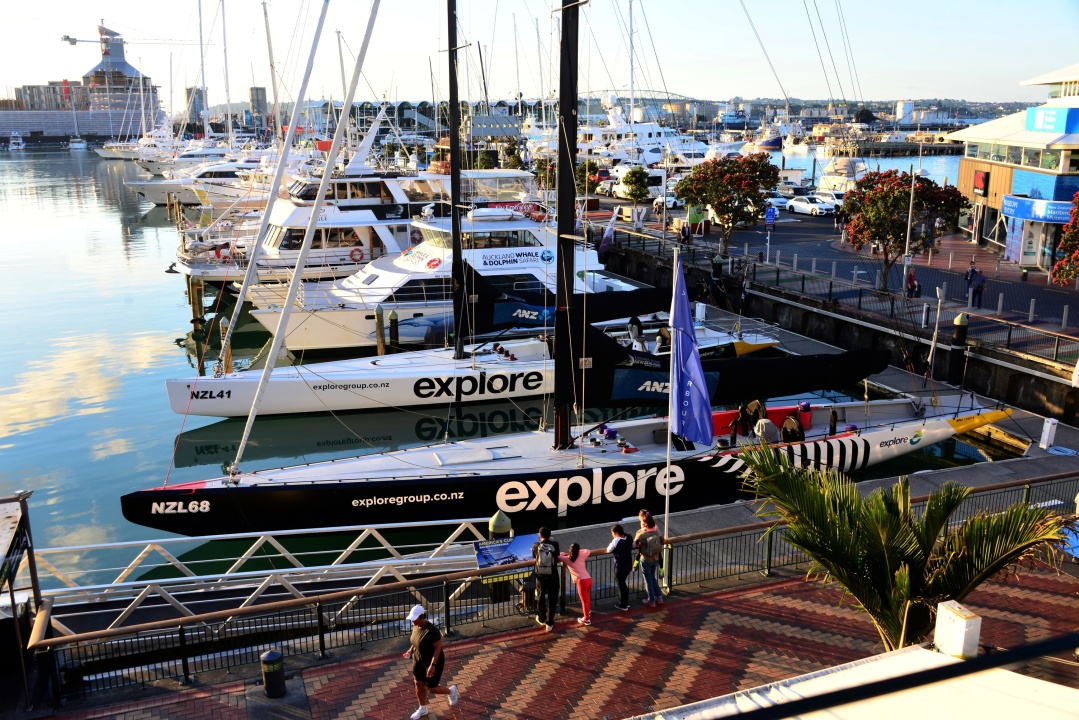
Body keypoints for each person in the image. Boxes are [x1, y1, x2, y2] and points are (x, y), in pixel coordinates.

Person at [404, 604, 458, 719]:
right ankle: (422, 709)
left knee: (432, 689)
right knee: (418, 684)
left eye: (414, 619)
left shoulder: (432, 631)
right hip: (418, 660)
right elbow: (415, 642)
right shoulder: (415, 626)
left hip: (433, 662)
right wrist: (410, 651)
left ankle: (451, 692)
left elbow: (438, 648)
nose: (412, 621)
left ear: (422, 617)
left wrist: (432, 665)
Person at [532, 527, 561, 632]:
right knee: (552, 599)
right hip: (553, 576)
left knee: (540, 597)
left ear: (540, 535)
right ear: (550, 535)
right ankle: (550, 623)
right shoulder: (555, 545)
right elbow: (557, 557)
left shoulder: (536, 545)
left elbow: (534, 557)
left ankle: (542, 618)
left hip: (540, 577)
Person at [634, 512, 665, 608]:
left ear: (644, 523)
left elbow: (634, 544)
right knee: (652, 577)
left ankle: (651, 600)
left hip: (646, 559)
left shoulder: (642, 534)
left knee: (648, 580)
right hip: (656, 557)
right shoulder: (656, 530)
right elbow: (662, 540)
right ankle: (659, 597)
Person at [559, 542, 593, 625]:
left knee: (584, 600)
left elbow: (558, 556)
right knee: (587, 598)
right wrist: (579, 551)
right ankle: (588, 612)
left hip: (581, 582)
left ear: (570, 551)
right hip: (588, 579)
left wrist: (562, 553)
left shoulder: (567, 559)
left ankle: (586, 619)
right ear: (578, 551)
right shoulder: (581, 556)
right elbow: (587, 550)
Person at [607, 524, 633, 611]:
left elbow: (608, 550)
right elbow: (633, 545)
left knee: (620, 584)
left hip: (620, 566)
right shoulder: (628, 538)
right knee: (623, 583)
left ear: (616, 533)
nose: (612, 535)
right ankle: (626, 602)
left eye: (612, 533)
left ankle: (623, 604)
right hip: (628, 565)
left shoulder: (616, 540)